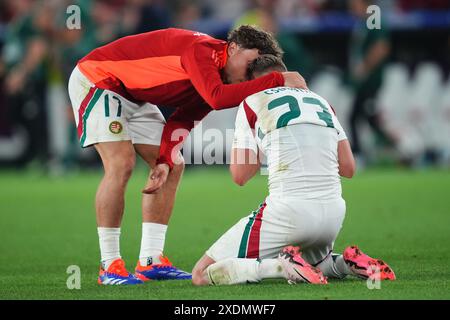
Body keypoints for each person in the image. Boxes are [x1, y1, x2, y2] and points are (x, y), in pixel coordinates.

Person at [68, 25, 307, 285]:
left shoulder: (218, 75)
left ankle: (150, 261)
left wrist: (164, 160)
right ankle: (109, 266)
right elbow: (217, 99)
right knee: (121, 163)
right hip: (99, 79)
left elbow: (183, 118)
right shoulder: (201, 51)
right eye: (250, 63)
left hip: (133, 96)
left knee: (174, 164)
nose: (249, 74)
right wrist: (276, 79)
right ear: (234, 47)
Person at [192, 55, 396, 286]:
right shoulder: (321, 101)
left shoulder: (251, 101)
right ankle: (344, 263)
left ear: (252, 82)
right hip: (333, 214)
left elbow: (240, 176)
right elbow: (348, 168)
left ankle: (280, 266)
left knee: (201, 273)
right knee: (316, 265)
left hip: (289, 212)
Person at [348, 0, 395, 161]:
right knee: (366, 117)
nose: (351, 7)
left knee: (357, 116)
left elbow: (381, 46)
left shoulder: (373, 17)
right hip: (365, 81)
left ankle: (360, 153)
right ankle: (391, 146)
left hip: (370, 81)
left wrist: (365, 67)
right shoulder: (363, 22)